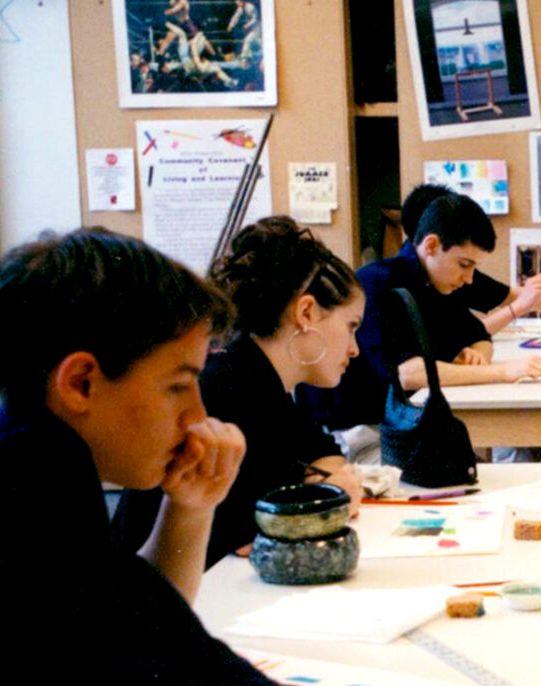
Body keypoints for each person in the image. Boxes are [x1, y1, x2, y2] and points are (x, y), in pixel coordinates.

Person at [0, 228, 271, 682]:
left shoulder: (11, 472)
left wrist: (190, 507)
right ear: (80, 384)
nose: (197, 415)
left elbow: (134, 620)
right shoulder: (31, 531)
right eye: (176, 386)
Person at [112, 218, 365, 567]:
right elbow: (247, 532)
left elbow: (323, 451)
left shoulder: (264, 381)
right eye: (351, 327)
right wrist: (326, 495)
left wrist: (322, 485)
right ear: (306, 312)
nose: (354, 349)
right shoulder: (230, 388)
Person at [303, 194, 541, 452]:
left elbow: (480, 333)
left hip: (407, 420)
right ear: (432, 245)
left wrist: (476, 354)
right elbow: (409, 374)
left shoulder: (439, 283)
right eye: (464, 265)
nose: (468, 279)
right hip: (358, 433)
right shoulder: (380, 283)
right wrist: (502, 372)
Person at [398, 184, 541, 334]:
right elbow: (464, 337)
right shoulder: (400, 285)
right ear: (429, 241)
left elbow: (506, 295)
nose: (468, 279)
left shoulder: (452, 270)